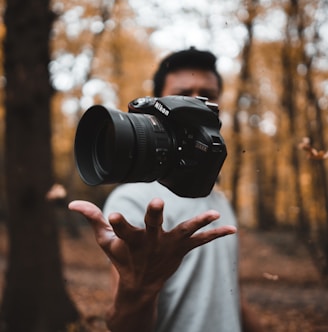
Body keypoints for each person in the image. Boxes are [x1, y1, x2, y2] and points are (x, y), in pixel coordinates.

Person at [69, 48, 261, 332]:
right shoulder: (134, 200)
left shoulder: (217, 198)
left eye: (207, 95)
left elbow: (229, 292)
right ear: (159, 102)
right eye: (185, 94)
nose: (198, 104)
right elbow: (124, 325)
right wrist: (140, 289)